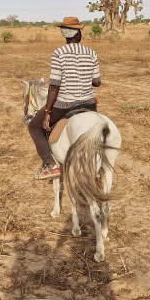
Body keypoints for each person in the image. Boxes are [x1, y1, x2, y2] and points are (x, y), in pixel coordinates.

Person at [28, 16, 101, 180]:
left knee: (34, 126)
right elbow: (97, 82)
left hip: (65, 104)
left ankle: (50, 165)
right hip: (89, 103)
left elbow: (54, 85)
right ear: (77, 34)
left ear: (65, 34)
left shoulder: (58, 53)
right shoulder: (91, 53)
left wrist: (47, 111)